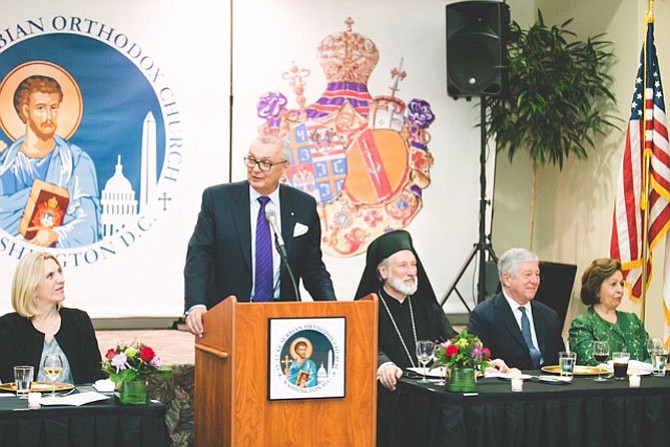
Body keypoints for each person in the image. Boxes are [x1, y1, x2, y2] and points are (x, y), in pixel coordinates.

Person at [355, 230, 507, 447]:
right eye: (403, 266)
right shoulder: (367, 307)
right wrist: (384, 365)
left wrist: (482, 360)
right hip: (385, 400)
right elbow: (362, 347)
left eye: (413, 265)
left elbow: (453, 341)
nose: (411, 272)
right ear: (383, 271)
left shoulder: (427, 307)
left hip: (426, 400)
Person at [184, 134, 336, 337]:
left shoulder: (302, 206)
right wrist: (196, 304)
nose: (255, 169)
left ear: (284, 166)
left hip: (283, 320)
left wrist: (335, 310)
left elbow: (313, 268)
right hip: (229, 316)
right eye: (251, 160)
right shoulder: (218, 200)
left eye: (265, 163)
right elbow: (199, 255)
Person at [0, 75, 100, 248]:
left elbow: (89, 227)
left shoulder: (77, 162)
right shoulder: (4, 165)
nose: (49, 117)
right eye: (41, 108)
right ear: (25, 111)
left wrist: (55, 235)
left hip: (58, 264)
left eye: (54, 108)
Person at [0, 252, 104, 384]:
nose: (61, 279)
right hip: (28, 404)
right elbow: (10, 383)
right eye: (50, 276)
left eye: (60, 272)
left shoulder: (79, 320)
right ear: (31, 287)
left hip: (76, 404)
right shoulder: (7, 327)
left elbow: (95, 376)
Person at [468, 248, 564, 370]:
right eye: (527, 275)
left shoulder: (549, 316)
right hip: (507, 385)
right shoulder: (484, 315)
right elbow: (479, 363)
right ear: (507, 279)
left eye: (537, 274)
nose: (535, 281)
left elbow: (560, 361)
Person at [568, 258, 650, 365]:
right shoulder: (582, 324)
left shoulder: (633, 320)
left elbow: (651, 357)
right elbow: (590, 363)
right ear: (597, 290)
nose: (620, 290)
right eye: (613, 284)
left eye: (621, 284)